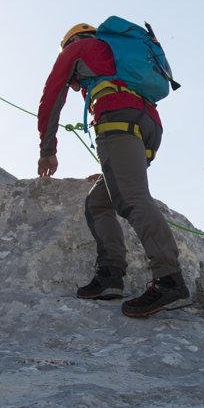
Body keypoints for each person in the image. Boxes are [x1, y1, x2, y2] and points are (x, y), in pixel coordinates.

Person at [37, 23, 190, 318]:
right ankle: (110, 277)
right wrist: (111, 168)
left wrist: (47, 151)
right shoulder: (117, 52)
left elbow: (51, 97)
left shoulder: (77, 49)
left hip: (117, 119)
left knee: (132, 198)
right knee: (98, 202)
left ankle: (170, 281)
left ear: (72, 41)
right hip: (149, 125)